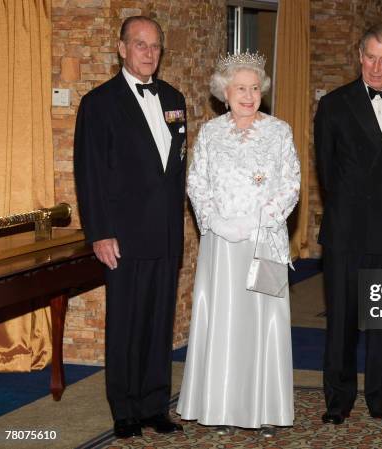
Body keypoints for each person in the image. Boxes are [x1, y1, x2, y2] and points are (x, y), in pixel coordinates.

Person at [176, 51, 300, 438]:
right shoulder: (211, 133)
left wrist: (258, 220)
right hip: (222, 243)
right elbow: (196, 183)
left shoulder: (280, 130)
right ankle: (222, 404)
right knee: (225, 322)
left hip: (265, 240)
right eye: (239, 88)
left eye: (253, 88)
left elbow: (291, 183)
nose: (248, 96)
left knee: (263, 323)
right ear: (223, 93)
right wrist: (216, 222)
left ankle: (264, 408)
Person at [74, 16, 186, 439]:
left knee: (159, 324)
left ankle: (155, 405)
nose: (149, 53)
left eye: (156, 45)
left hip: (166, 233)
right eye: (140, 45)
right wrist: (100, 232)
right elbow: (90, 174)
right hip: (120, 235)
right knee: (125, 324)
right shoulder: (98, 102)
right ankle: (124, 409)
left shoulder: (175, 99)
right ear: (121, 48)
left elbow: (177, 170)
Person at [314, 24, 382, 426]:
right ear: (359, 55)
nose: (376, 67)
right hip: (346, 228)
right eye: (370, 57)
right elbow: (326, 172)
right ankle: (337, 399)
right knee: (342, 319)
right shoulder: (333, 104)